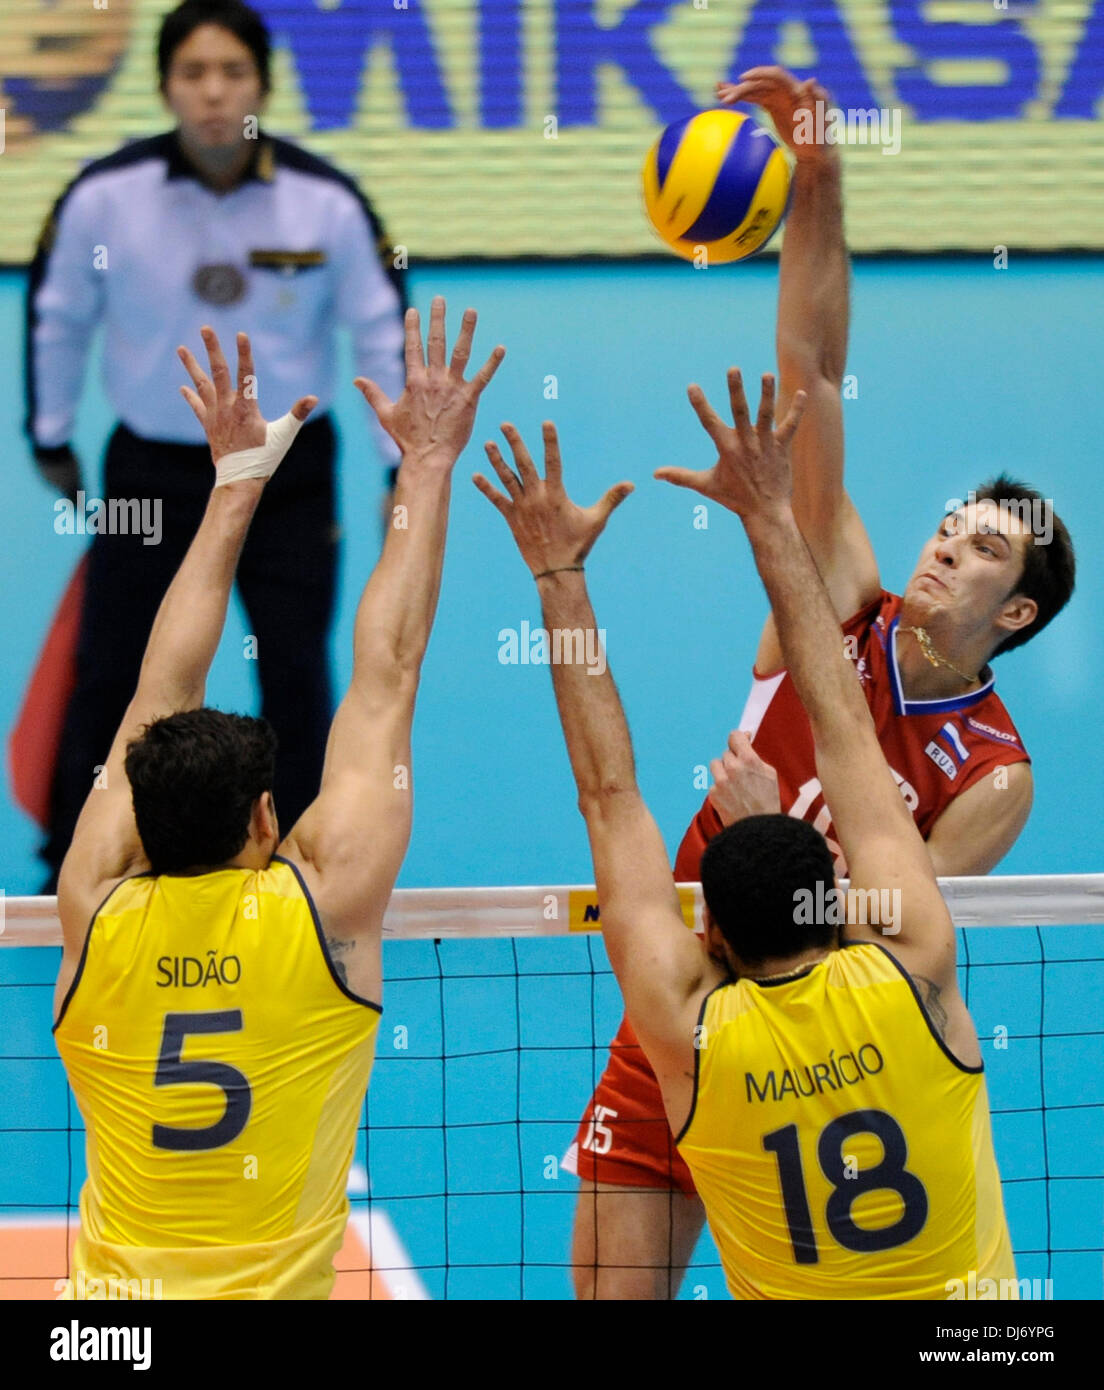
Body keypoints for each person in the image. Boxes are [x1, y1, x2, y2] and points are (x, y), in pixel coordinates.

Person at [564, 67, 1076, 1298]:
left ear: (1014, 614)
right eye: (953, 522)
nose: (947, 541)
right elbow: (810, 371)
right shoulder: (833, 589)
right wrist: (818, 186)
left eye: (985, 547)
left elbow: (897, 939)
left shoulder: (994, 774)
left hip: (807, 1037)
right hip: (682, 996)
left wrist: (757, 843)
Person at [474, 368, 1016, 1299]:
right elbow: (847, 727)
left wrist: (559, 574)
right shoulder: (914, 965)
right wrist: (771, 520)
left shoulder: (685, 1029)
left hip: (720, 1082)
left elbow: (609, 795)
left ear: (707, 931)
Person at [53, 301, 504, 1299]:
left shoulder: (93, 902)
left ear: (140, 819)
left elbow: (156, 693)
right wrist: (426, 465)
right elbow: (388, 669)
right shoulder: (323, 908)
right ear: (267, 818)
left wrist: (232, 487)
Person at [24, 0, 407, 889]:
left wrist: (399, 464)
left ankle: (304, 851)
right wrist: (47, 433)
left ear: (262, 84)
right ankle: (71, 860)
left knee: (296, 663)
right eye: (194, 73)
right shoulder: (101, 197)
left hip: (289, 473)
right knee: (114, 665)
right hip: (152, 470)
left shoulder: (328, 201)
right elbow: (56, 319)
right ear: (165, 84)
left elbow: (380, 329)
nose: (212, 91)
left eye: (232, 71)